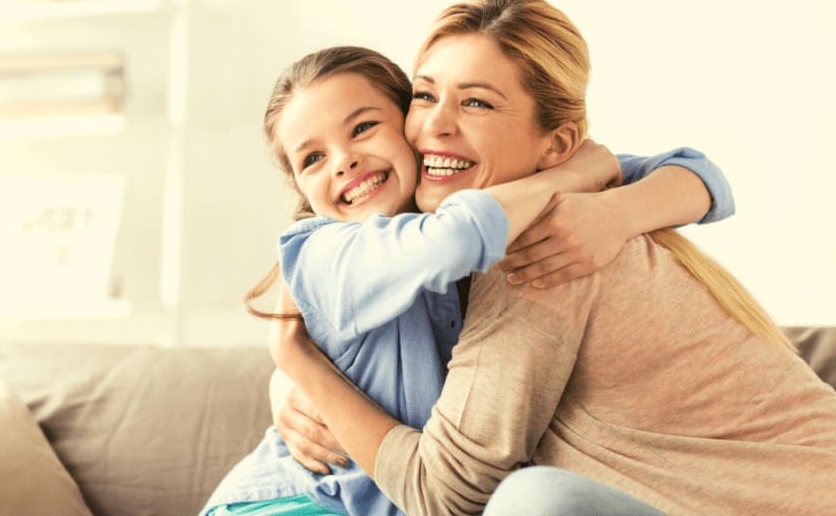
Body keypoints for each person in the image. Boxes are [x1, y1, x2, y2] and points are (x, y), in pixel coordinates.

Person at [268, 0, 836, 516]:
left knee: (531, 505)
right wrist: (286, 389)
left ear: (556, 146)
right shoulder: (496, 227)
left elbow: (445, 495)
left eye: (475, 102)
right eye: (424, 93)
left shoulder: (547, 248)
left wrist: (300, 364)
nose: (435, 124)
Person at [199, 42, 736, 516]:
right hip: (293, 503)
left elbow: (700, 176)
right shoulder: (321, 251)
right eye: (311, 158)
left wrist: (615, 212)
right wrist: (571, 175)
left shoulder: (462, 213)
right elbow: (459, 238)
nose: (343, 162)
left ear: (412, 127)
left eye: (363, 128)